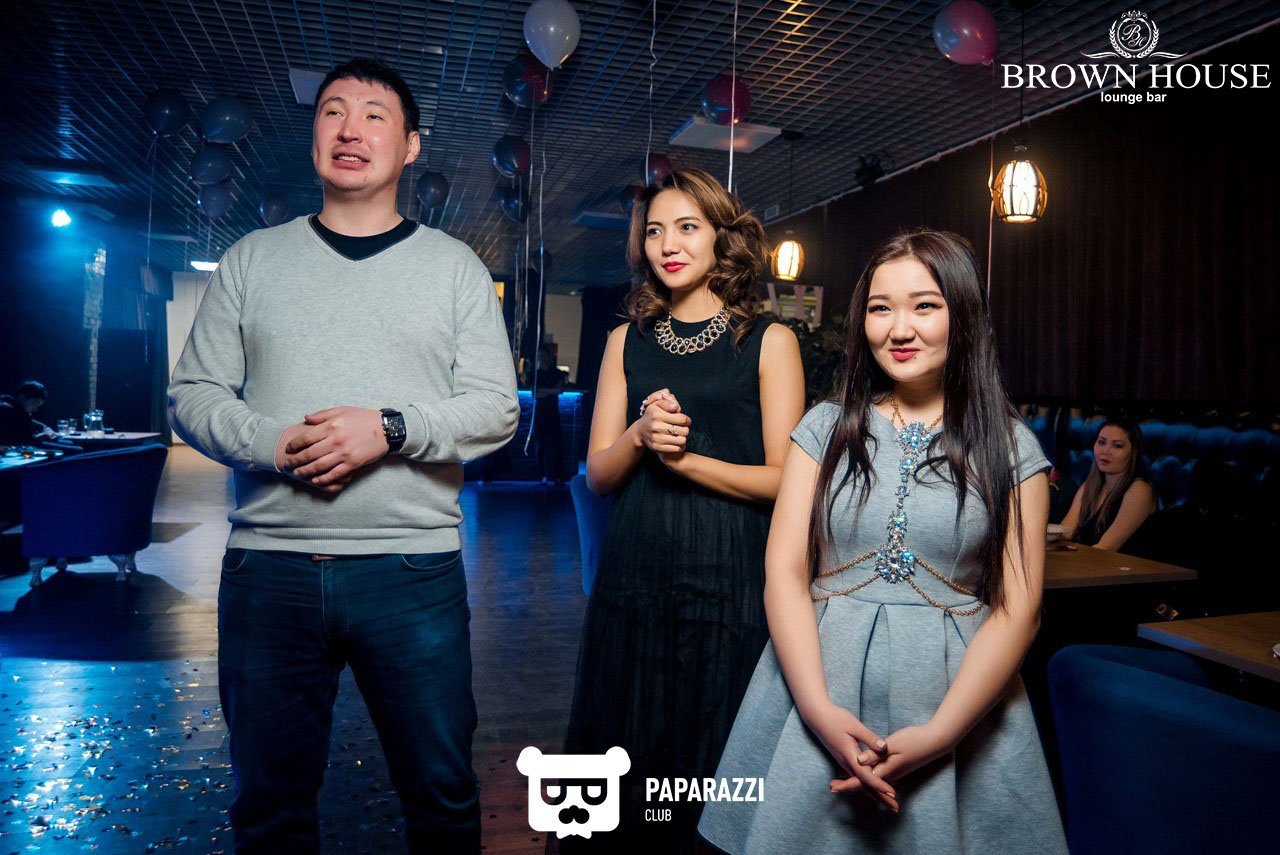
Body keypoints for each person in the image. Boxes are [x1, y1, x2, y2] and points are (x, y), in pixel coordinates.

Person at [168, 58, 518, 854]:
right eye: (332, 111)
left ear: (411, 145)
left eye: (373, 114)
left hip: (411, 570)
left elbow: (497, 408)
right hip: (270, 569)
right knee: (268, 808)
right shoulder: (252, 259)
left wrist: (390, 427)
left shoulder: (455, 268)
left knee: (441, 798)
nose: (350, 129)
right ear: (314, 135)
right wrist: (273, 443)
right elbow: (192, 394)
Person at [699, 230, 1067, 854]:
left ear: (963, 314)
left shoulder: (1011, 447)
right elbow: (784, 573)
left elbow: (1020, 608)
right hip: (819, 686)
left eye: (924, 305)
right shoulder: (825, 428)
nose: (899, 328)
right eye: (880, 308)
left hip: (954, 699)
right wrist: (817, 710)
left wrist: (943, 733)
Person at [560, 167, 805, 852]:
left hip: (732, 574)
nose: (668, 244)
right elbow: (597, 474)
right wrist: (640, 436)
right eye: (655, 231)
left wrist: (685, 460)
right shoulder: (625, 341)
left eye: (687, 227)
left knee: (717, 751)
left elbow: (788, 481)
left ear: (722, 236)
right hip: (637, 568)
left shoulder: (769, 340)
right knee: (635, 746)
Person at [1060, 418, 1156, 550]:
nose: (1105, 451)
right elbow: (1065, 532)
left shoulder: (1140, 490)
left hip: (1117, 563)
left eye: (1117, 446)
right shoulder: (1089, 485)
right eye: (1101, 442)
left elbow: (1106, 547)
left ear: (1133, 452)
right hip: (1086, 560)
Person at [532, 341, 568, 485]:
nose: (541, 358)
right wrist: (551, 391)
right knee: (540, 445)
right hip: (541, 413)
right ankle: (542, 475)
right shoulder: (536, 374)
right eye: (539, 356)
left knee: (555, 445)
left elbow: (560, 390)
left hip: (552, 413)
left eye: (543, 355)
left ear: (548, 357)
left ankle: (557, 476)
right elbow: (535, 394)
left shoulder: (556, 372)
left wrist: (544, 391)